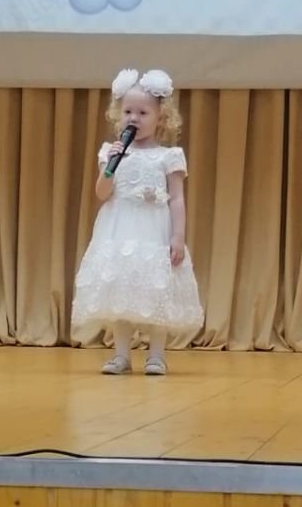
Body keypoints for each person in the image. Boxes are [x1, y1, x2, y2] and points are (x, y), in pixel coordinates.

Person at [71, 67, 203, 374]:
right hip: (119, 229)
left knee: (156, 288)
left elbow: (177, 198)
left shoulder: (169, 156)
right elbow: (102, 193)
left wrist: (178, 236)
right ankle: (121, 355)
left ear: (161, 117)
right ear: (118, 115)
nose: (134, 118)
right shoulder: (111, 152)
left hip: (154, 230)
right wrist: (111, 166)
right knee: (121, 289)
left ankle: (156, 355)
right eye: (128, 111)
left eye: (143, 112)